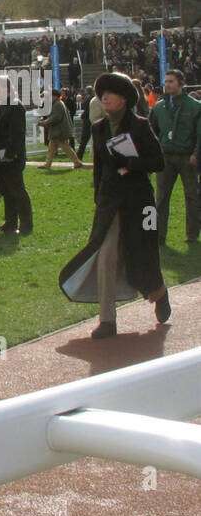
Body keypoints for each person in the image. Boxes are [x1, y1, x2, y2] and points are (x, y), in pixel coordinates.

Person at [59, 73, 170, 339]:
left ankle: (158, 292)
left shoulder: (141, 125)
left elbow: (158, 162)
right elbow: (99, 167)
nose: (104, 97)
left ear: (124, 99)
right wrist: (99, 196)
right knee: (106, 255)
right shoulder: (98, 127)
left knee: (144, 252)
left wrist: (131, 164)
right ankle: (107, 320)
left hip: (140, 202)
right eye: (102, 93)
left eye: (110, 93)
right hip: (110, 202)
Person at [148, 69, 201, 246]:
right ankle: (159, 235)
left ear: (181, 83)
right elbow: (152, 130)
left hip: (187, 157)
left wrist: (196, 154)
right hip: (165, 157)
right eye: (166, 81)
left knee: (191, 197)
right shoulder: (159, 106)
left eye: (171, 81)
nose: (167, 84)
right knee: (161, 198)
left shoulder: (195, 106)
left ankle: (192, 234)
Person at [0, 75, 33, 235]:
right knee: (6, 190)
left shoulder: (15, 106)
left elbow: (16, 133)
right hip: (0, 156)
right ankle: (10, 222)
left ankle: (26, 224)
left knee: (17, 190)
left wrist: (10, 153)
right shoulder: (3, 105)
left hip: (10, 157)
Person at [40, 94, 83, 168]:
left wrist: (45, 122)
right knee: (51, 148)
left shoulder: (57, 105)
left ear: (54, 96)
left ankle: (77, 162)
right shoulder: (58, 103)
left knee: (66, 147)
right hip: (57, 131)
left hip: (59, 131)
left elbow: (56, 117)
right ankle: (47, 164)